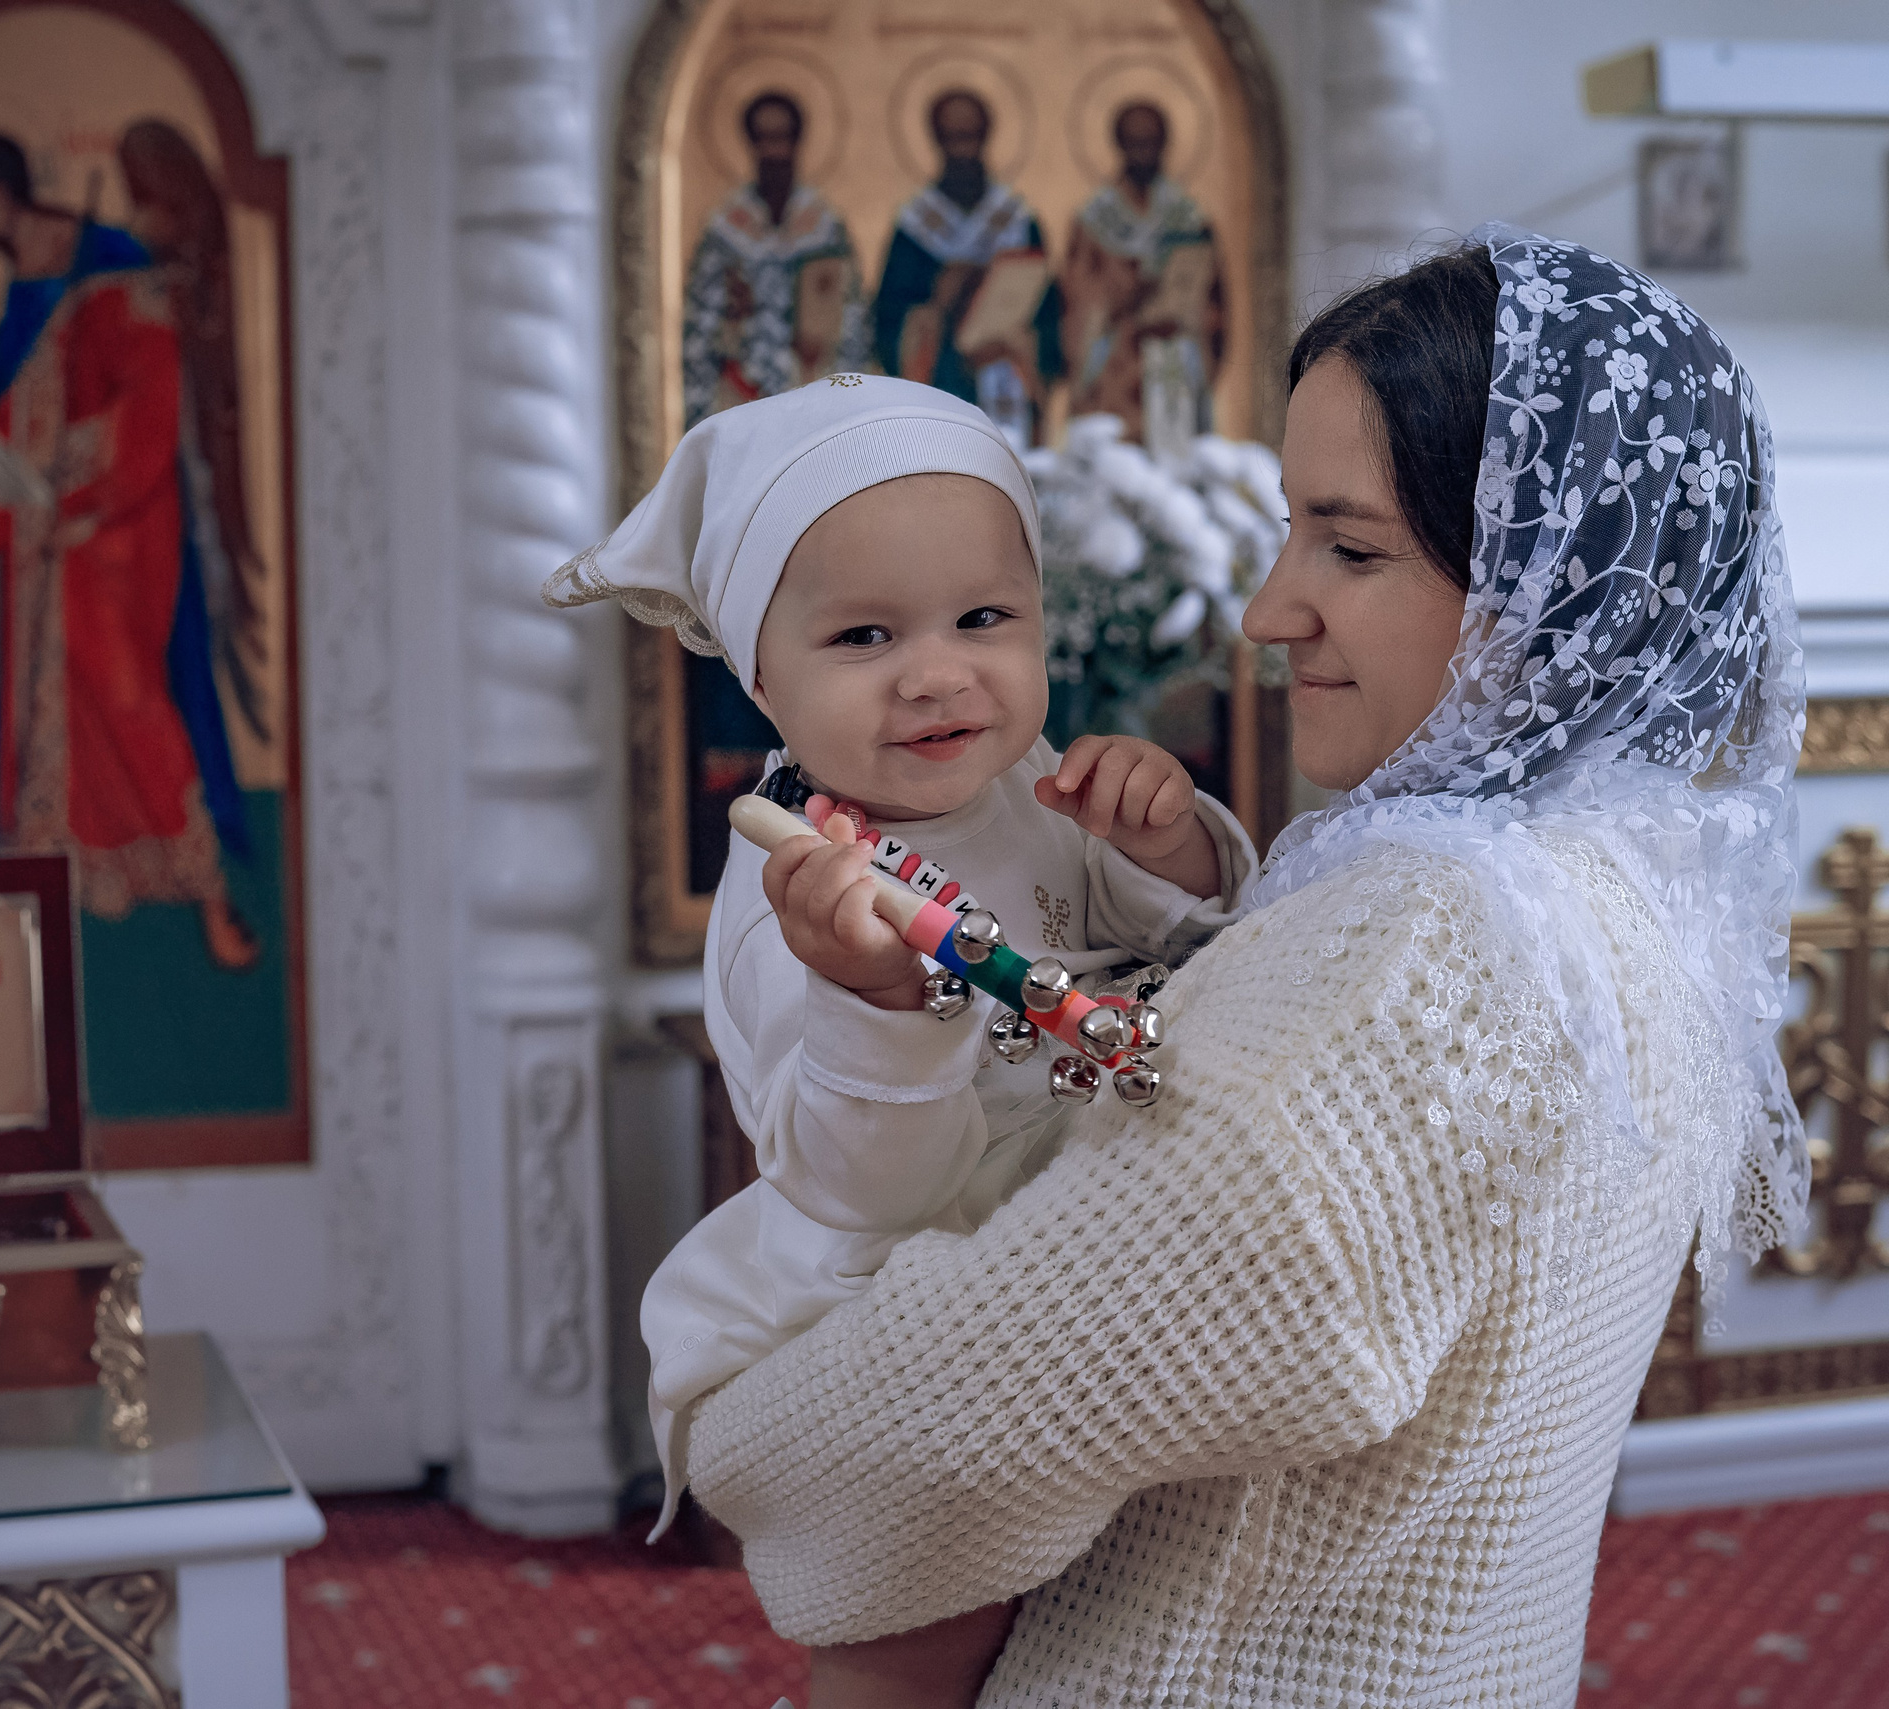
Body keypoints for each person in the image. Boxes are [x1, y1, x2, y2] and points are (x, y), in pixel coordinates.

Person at [678, 229, 1808, 1707]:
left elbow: (958, 1414)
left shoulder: (1428, 956)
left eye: (1349, 547)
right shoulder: (1633, 882)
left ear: (1550, 580)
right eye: (1287, 532)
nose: (1271, 611)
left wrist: (735, 1430)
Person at [541, 375, 1257, 1618]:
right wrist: (872, 995)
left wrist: (1168, 845)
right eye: (865, 638)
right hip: (911, 1280)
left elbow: (1189, 941)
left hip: (1089, 1225)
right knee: (923, 1622)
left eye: (983, 617)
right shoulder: (794, 897)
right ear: (761, 679)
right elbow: (867, 1186)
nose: (936, 676)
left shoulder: (1042, 782)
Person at [0, 128, 261, 968]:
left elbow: (149, 399)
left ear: (3, 181)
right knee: (39, 715)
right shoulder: (24, 287)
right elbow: (17, 411)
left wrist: (74, 487)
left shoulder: (113, 261)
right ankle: (55, 899)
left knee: (131, 698)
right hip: (45, 541)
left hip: (119, 533)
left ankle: (208, 896)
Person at [872, 91, 1065, 449]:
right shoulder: (916, 228)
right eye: (953, 137)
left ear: (986, 137)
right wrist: (936, 299)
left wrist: (1017, 344)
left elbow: (1050, 315)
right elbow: (888, 319)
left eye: (971, 136)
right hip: (941, 378)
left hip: (1004, 374)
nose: (963, 149)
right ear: (938, 141)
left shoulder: (1017, 221)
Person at [680, 91, 872, 427]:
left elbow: (853, 316)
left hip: (815, 394)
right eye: (765, 139)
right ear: (751, 143)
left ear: (797, 141)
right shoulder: (725, 229)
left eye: (782, 138)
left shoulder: (825, 225)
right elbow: (700, 326)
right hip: (741, 397)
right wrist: (733, 317)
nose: (774, 151)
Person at [1061, 101, 1227, 457]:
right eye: (1135, 143)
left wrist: (1188, 319)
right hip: (1115, 372)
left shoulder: (1189, 219)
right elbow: (1076, 302)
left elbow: (1214, 306)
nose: (1143, 153)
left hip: (1173, 364)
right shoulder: (1095, 222)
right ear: (1119, 146)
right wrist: (1123, 297)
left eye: (1151, 143)